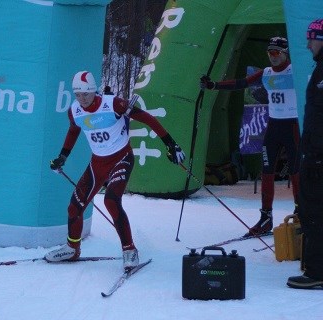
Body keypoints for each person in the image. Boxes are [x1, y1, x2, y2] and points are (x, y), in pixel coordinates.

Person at [45, 71, 186, 270]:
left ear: (94, 91)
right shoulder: (75, 111)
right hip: (97, 164)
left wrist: (170, 143)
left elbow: (147, 119)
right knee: (74, 207)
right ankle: (72, 248)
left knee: (111, 200)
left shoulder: (113, 104)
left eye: (86, 93)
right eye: (78, 94)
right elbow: (73, 131)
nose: (82, 98)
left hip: (121, 158)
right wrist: (63, 156)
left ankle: (129, 249)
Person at [200, 37, 300, 237]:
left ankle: (301, 212)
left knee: (296, 172)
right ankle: (265, 217)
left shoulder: (296, 70)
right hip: (274, 127)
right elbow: (242, 83)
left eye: (276, 53)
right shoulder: (266, 73)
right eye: (269, 53)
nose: (272, 57)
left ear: (285, 54)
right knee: (267, 171)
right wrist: (214, 86)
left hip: (293, 127)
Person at [287, 19, 323, 289]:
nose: (308, 44)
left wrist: (314, 153)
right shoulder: (318, 69)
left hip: (318, 158)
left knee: (314, 212)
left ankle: (317, 272)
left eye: (312, 38)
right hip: (313, 153)